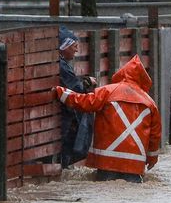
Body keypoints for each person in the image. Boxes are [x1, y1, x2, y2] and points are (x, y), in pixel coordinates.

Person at [53, 54, 162, 183]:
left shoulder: (107, 91)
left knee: (105, 188)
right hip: (134, 166)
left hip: (106, 161)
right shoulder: (150, 103)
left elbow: (83, 102)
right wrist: (152, 159)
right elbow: (155, 136)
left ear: (122, 73)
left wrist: (60, 92)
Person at [58, 26, 97, 169]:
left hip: (63, 119)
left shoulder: (62, 64)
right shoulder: (62, 66)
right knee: (67, 150)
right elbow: (75, 88)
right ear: (64, 46)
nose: (76, 50)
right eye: (74, 46)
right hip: (64, 120)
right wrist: (87, 83)